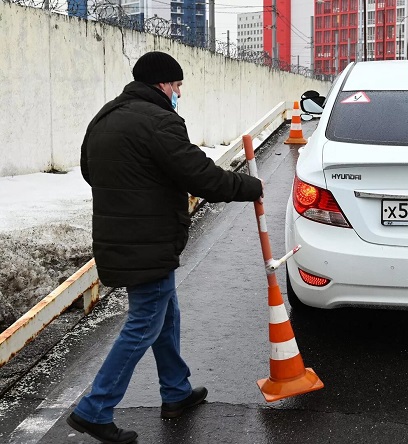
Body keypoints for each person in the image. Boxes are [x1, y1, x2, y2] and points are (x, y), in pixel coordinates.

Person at [66, 51, 263, 444]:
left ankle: (175, 391)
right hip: (148, 240)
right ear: (162, 84)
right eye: (177, 86)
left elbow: (91, 171)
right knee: (145, 322)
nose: (178, 93)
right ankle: (95, 408)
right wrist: (249, 187)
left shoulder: (105, 116)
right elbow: (199, 174)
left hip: (120, 235)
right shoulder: (159, 121)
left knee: (164, 312)